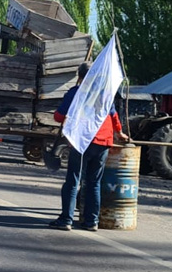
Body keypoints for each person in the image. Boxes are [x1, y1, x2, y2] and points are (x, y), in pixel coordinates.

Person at [49, 62, 128, 232]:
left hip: (82, 141)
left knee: (73, 180)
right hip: (103, 142)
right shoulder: (105, 94)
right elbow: (113, 116)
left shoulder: (76, 93)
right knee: (94, 182)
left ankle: (66, 220)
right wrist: (120, 134)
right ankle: (92, 222)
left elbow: (59, 116)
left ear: (80, 77)